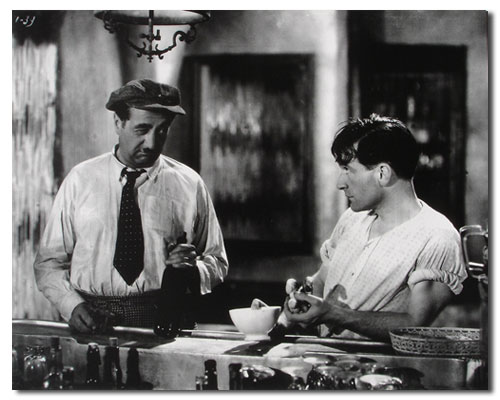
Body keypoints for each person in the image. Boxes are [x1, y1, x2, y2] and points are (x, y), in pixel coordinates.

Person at [34, 79, 228, 332]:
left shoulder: (189, 184)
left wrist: (192, 271)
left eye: (162, 130)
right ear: (118, 123)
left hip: (166, 322)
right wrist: (72, 305)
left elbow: (217, 261)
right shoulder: (81, 180)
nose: (152, 143)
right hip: (92, 323)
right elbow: (49, 263)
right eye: (142, 129)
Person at [281, 114, 467, 341]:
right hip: (325, 359)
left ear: (382, 173)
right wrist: (302, 297)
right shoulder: (352, 218)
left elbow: (414, 324)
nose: (340, 183)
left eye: (347, 169)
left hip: (380, 364)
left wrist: (332, 314)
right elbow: (321, 281)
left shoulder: (438, 236)